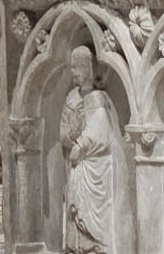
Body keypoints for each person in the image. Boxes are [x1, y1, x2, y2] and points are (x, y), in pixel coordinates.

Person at [60, 45, 117, 254]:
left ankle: (97, 246)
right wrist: (71, 134)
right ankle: (76, 247)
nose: (74, 72)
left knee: (95, 217)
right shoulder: (72, 98)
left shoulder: (99, 99)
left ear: (88, 69)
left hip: (97, 166)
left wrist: (82, 144)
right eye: (72, 67)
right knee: (75, 212)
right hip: (77, 165)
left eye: (78, 67)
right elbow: (63, 133)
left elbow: (102, 132)